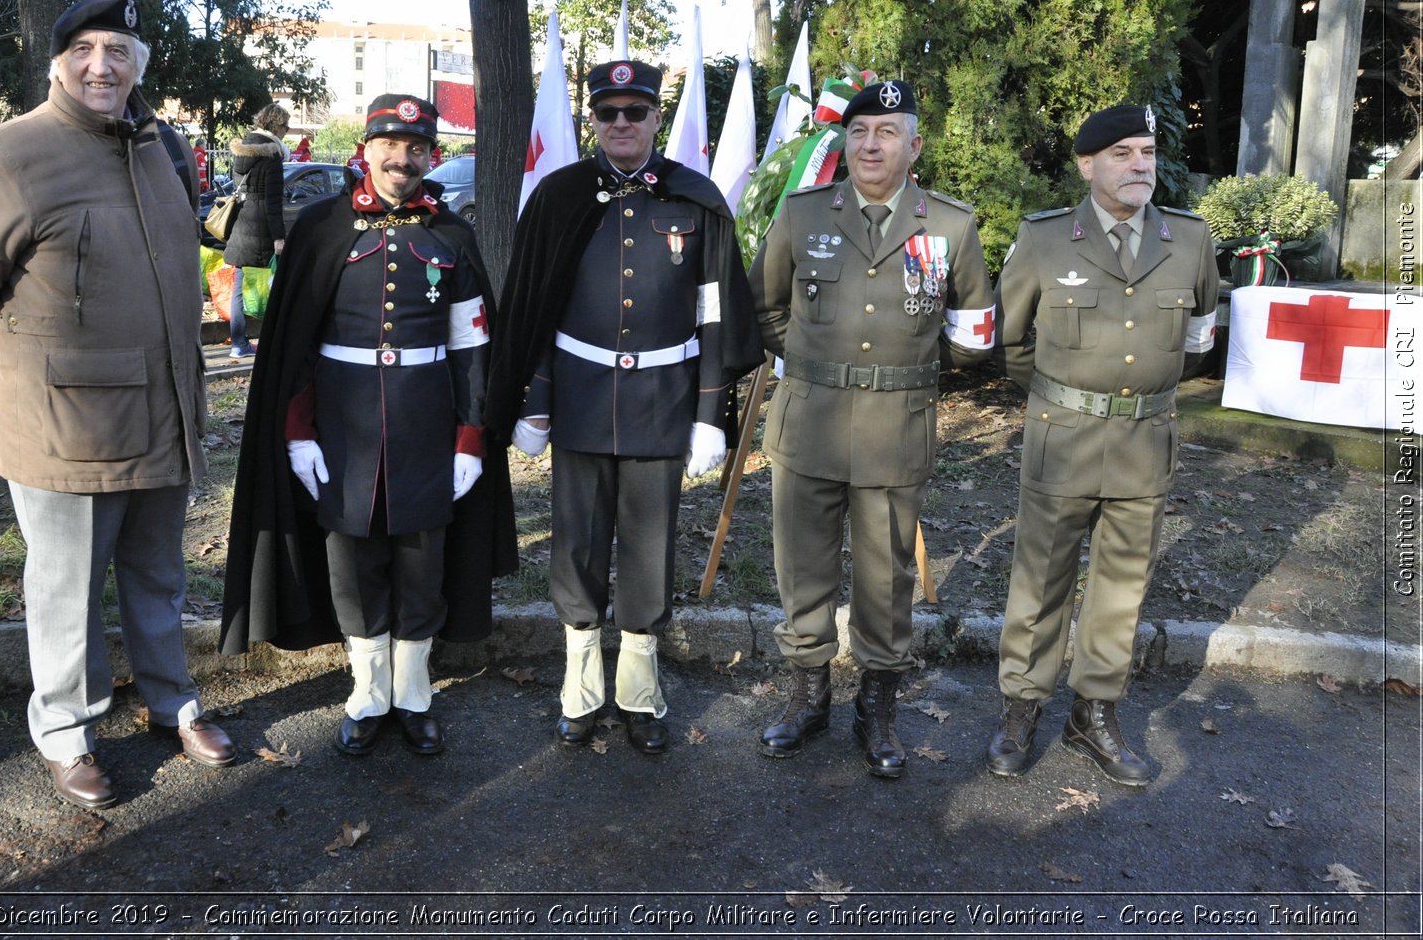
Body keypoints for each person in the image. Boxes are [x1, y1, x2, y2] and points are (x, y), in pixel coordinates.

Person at [0, 0, 233, 810]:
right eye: (87, 49)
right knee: (65, 587)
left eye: (120, 51)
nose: (104, 66)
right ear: (59, 61)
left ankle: (173, 700)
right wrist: (16, 375)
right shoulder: (10, 152)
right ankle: (67, 731)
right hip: (64, 428)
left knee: (158, 573)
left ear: (138, 66)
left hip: (163, 412)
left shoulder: (158, 144)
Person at [222, 93, 513, 757]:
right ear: (365, 150)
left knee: (420, 560)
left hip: (426, 425)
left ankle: (413, 694)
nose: (401, 159)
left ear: (429, 156)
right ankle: (368, 690)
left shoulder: (452, 236)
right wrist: (297, 433)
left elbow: (472, 343)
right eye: (389, 145)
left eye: (415, 149)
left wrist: (471, 437)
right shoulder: (323, 228)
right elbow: (293, 344)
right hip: (342, 429)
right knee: (351, 561)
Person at [487, 60, 762, 754]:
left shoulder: (694, 200)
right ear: (592, 122)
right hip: (579, 396)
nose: (620, 125)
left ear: (655, 119)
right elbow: (540, 309)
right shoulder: (558, 197)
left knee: (649, 545)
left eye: (633, 113)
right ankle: (580, 687)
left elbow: (715, 313)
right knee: (576, 542)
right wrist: (537, 400)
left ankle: (639, 688)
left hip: (664, 402)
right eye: (606, 114)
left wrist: (709, 413)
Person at [748, 80, 994, 779]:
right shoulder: (802, 215)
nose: (870, 144)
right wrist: (816, 363)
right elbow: (764, 308)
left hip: (895, 428)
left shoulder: (949, 225)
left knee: (887, 578)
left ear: (914, 146)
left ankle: (877, 705)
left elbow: (975, 333)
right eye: (859, 132)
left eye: (886, 131)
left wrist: (906, 364)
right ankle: (809, 693)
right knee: (803, 566)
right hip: (810, 424)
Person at [986, 104, 1217, 786]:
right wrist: (1066, 395)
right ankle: (1021, 707)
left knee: (1121, 586)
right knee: (1040, 580)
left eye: (1147, 151)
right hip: (1064, 438)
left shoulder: (1191, 240)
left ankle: (1093, 712)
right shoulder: (1046, 239)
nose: (1140, 163)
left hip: (1146, 439)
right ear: (1087, 165)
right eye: (1122, 152)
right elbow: (1011, 340)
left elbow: (1200, 341)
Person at [222, 103, 289, 358]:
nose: (287, 130)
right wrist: (279, 237)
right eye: (285, 125)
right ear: (275, 125)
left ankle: (238, 343)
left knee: (240, 288)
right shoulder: (271, 155)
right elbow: (273, 202)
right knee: (274, 285)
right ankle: (274, 341)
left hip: (242, 225)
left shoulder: (243, 151)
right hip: (261, 228)